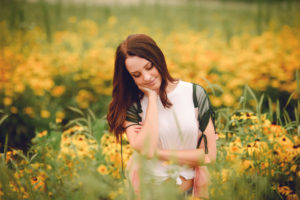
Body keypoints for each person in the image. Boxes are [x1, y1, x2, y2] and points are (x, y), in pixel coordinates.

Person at [107, 34, 217, 198]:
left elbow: (209, 156)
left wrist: (159, 154)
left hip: (189, 194)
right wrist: (152, 98)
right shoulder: (132, 105)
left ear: (158, 59)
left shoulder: (194, 94)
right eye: (136, 75)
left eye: (149, 67)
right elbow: (147, 148)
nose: (147, 77)